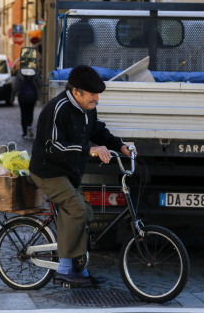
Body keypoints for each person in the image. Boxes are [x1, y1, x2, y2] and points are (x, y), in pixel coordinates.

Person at [28, 65, 135, 286]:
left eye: (97, 94)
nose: (96, 98)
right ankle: (64, 269)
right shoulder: (57, 109)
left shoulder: (87, 108)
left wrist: (121, 146)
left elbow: (98, 131)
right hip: (48, 171)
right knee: (76, 208)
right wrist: (89, 150)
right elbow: (53, 146)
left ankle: (79, 269)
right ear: (76, 91)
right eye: (92, 94)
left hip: (69, 172)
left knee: (85, 212)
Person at [14, 70, 40, 139]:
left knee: (23, 114)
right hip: (32, 97)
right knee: (30, 112)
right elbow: (40, 84)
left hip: (22, 97)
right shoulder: (34, 72)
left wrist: (12, 95)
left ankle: (24, 133)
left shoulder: (20, 73)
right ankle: (29, 126)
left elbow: (16, 86)